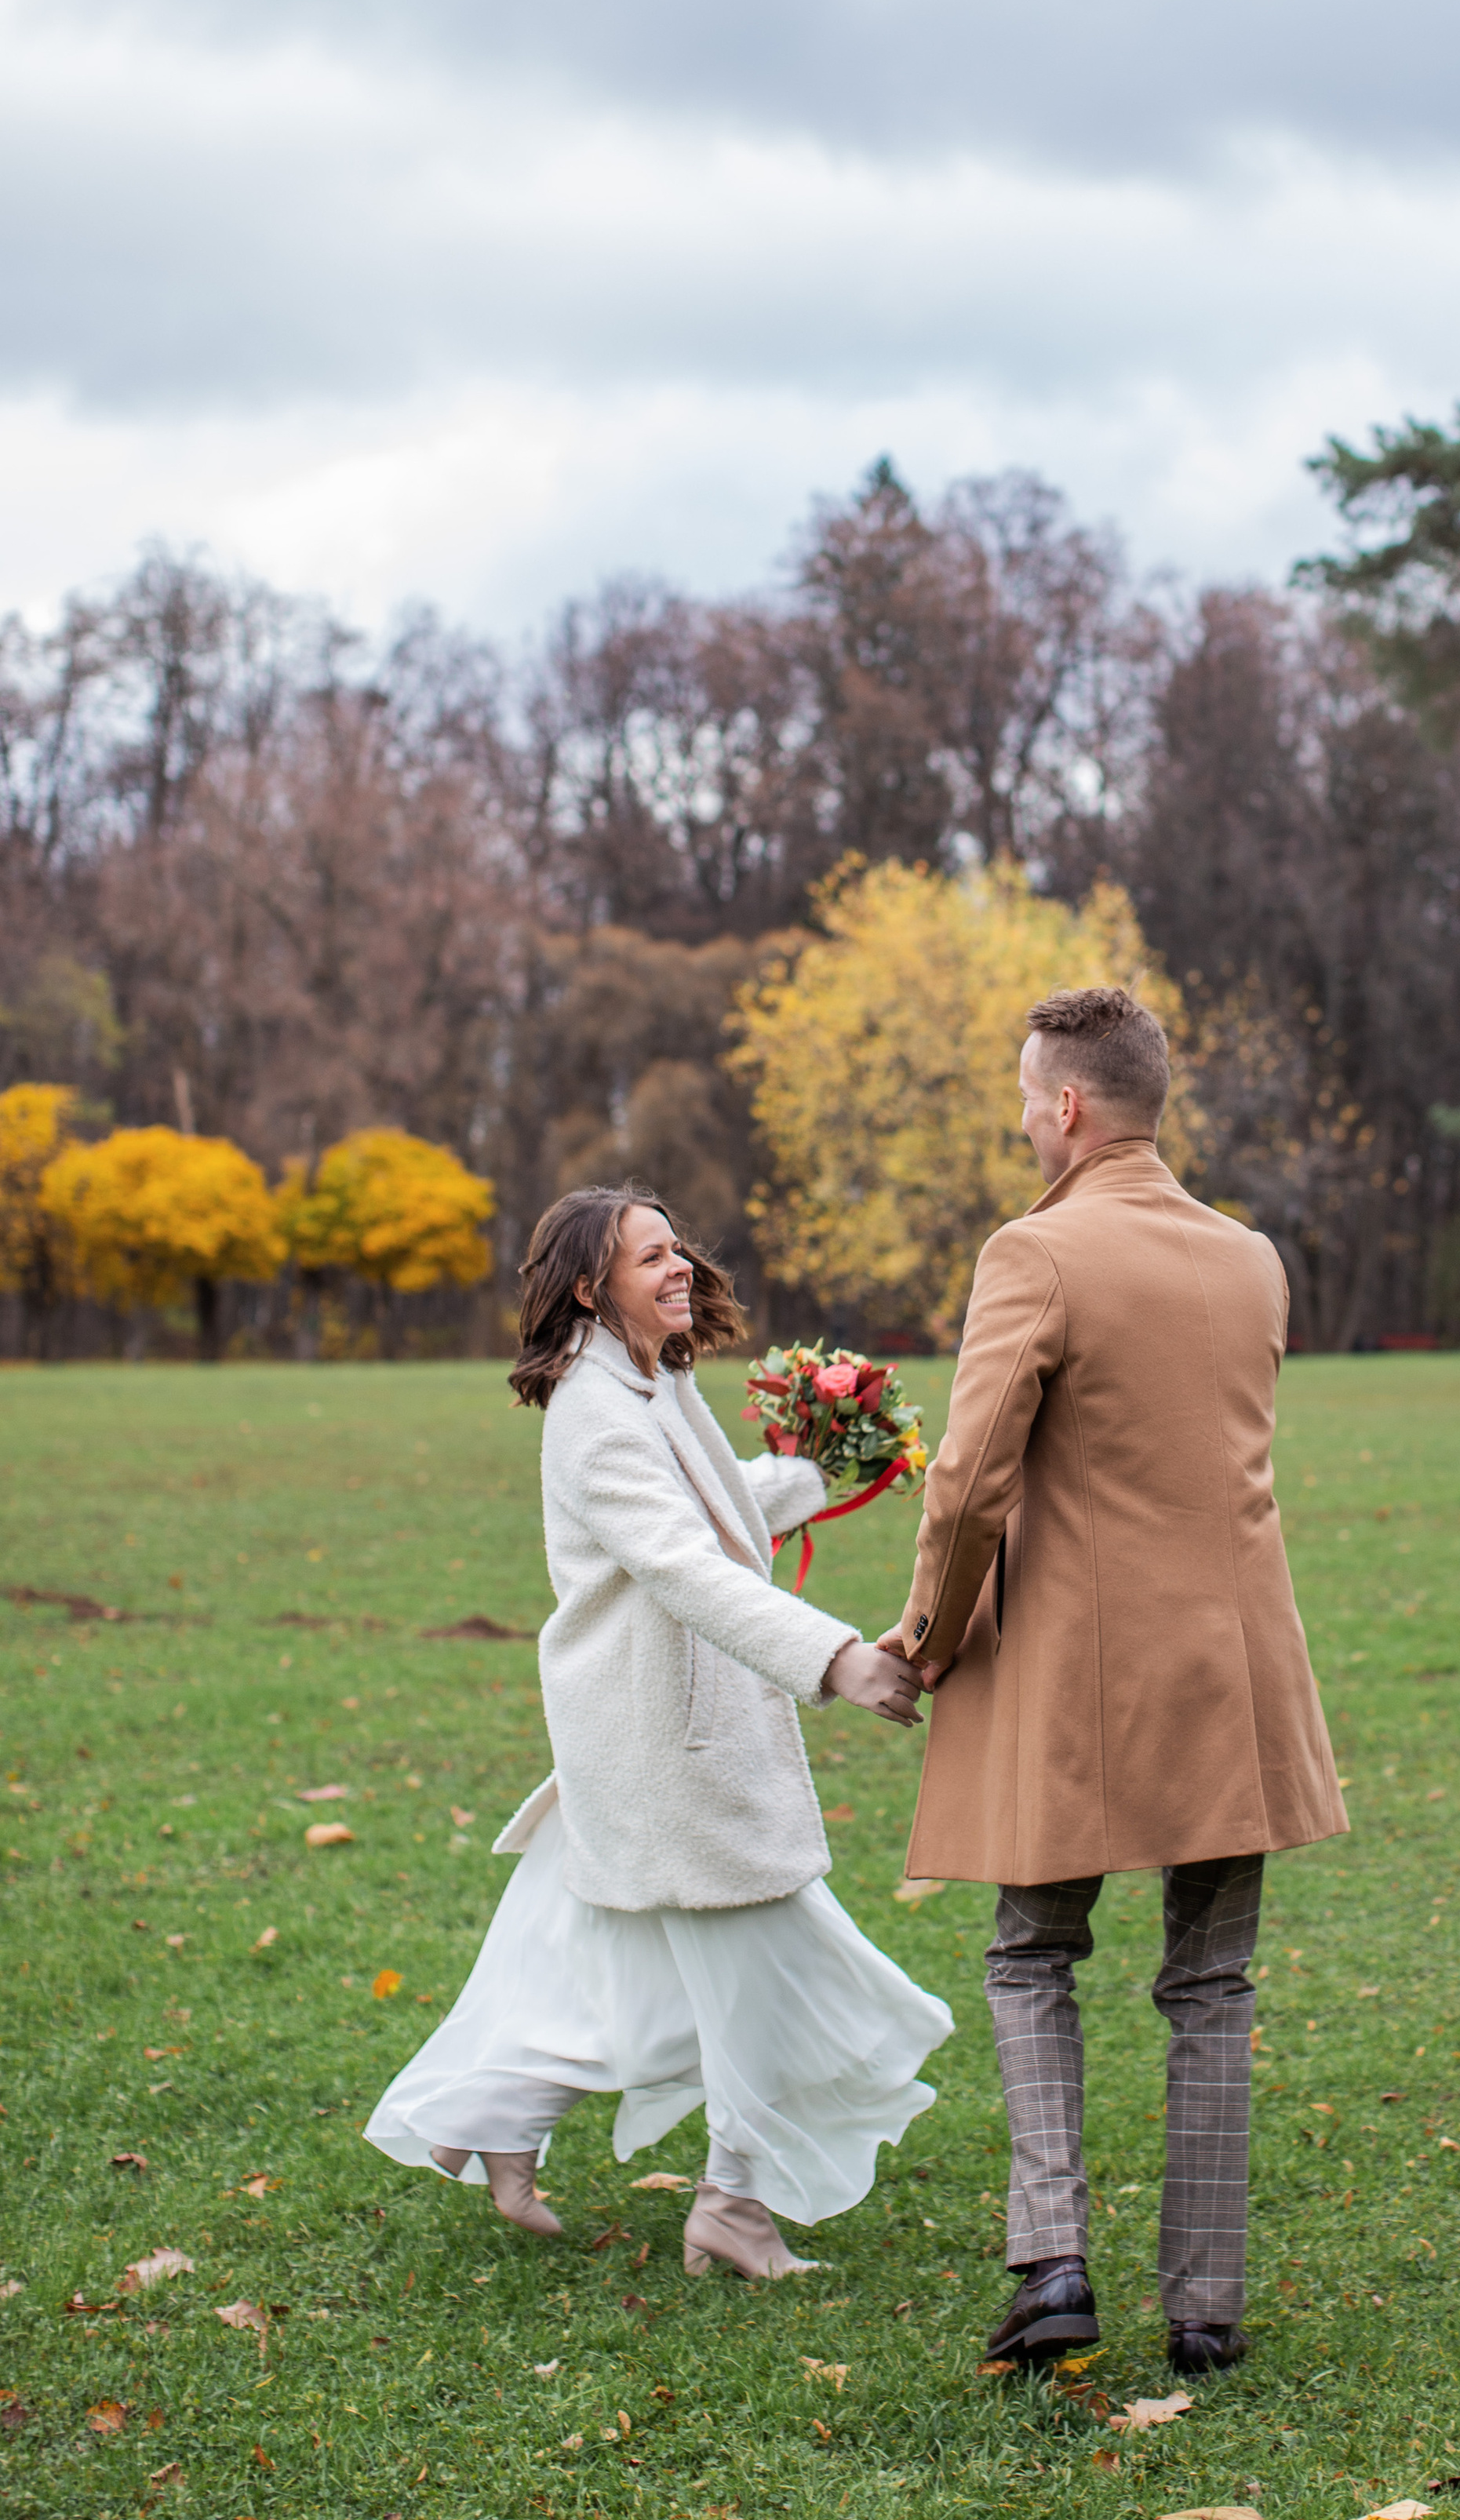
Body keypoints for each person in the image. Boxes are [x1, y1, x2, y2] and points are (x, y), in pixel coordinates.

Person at [876, 988, 1344, 2376]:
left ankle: (1053, 2260)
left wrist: (928, 1631)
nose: (1025, 1119)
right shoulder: (1252, 1259)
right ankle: (1205, 2308)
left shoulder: (1038, 1255)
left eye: (1028, 1098)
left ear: (1067, 1105)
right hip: (1238, 1675)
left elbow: (968, 1484)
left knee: (1033, 1955)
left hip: (1081, 1686)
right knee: (1212, 1983)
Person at [367, 1184, 948, 2278]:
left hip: (660, 1731)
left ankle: (503, 2116)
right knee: (782, 1972)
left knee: (641, 1976)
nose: (680, 1267)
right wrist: (837, 1660)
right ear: (591, 1286)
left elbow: (715, 1506)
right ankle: (733, 2203)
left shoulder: (650, 1378)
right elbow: (682, 1567)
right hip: (664, 1742)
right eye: (651, 1258)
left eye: (678, 1248)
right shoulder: (595, 1416)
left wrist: (822, 1464)